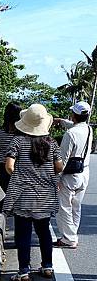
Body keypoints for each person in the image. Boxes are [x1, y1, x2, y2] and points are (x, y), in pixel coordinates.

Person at [3, 104, 63, 281]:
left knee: (23, 233)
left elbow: (9, 166)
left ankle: (23, 272)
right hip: (45, 196)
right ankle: (47, 266)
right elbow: (59, 166)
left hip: (24, 196)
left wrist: (22, 176)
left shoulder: (17, 141)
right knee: (44, 231)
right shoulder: (52, 143)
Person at [54, 101, 93, 249]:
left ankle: (69, 239)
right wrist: (61, 121)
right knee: (76, 206)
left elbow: (62, 160)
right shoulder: (89, 129)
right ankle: (71, 234)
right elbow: (75, 126)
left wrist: (56, 178)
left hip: (70, 175)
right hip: (84, 173)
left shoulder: (70, 134)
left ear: (73, 115)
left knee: (64, 207)